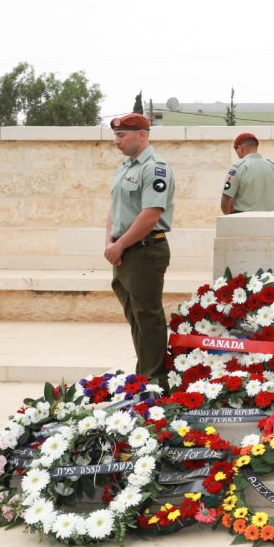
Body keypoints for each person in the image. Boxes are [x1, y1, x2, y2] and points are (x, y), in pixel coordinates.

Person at [104, 113, 174, 379]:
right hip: (126, 251)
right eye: (115, 135)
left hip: (145, 250)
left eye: (121, 135)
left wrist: (119, 245)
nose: (116, 141)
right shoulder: (126, 168)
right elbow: (114, 210)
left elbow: (151, 214)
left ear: (142, 135)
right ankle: (145, 374)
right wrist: (110, 243)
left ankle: (155, 382)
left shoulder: (154, 168)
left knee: (148, 317)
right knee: (135, 317)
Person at [221, 132, 274, 214]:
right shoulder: (273, 167)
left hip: (243, 219)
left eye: (237, 151)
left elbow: (226, 199)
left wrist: (228, 220)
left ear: (240, 148)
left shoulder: (238, 167)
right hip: (269, 219)